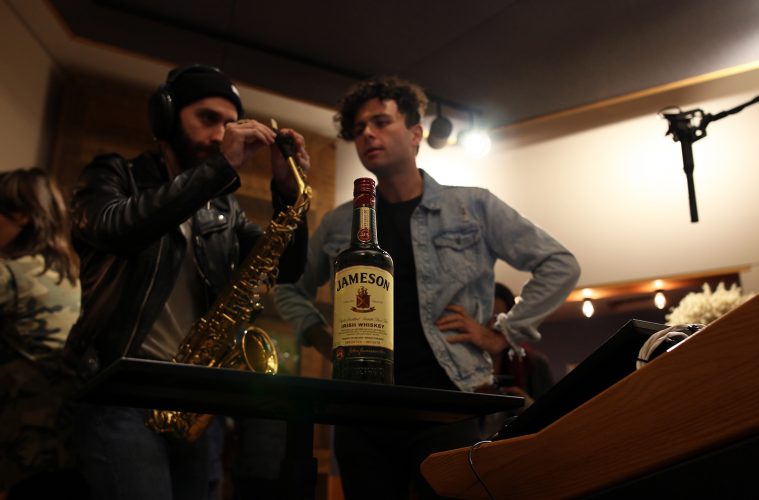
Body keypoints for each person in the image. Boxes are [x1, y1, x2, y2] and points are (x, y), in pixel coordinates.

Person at [274, 76, 581, 499]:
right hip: (361, 405)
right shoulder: (340, 222)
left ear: (417, 133)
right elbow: (288, 287)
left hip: (447, 403)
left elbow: (560, 263)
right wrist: (321, 337)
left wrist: (501, 333)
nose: (367, 134)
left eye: (381, 122)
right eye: (359, 128)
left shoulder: (472, 206)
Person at [64, 64, 310, 500]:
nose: (220, 134)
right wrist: (220, 168)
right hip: (119, 393)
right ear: (166, 118)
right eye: (208, 119)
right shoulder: (115, 175)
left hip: (191, 402)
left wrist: (289, 193)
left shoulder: (224, 209)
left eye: (229, 124)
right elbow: (115, 229)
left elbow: (283, 266)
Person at [0, 168, 83, 499]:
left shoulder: (11, 274)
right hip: (71, 444)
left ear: (21, 215)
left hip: (23, 447)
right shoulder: (72, 273)